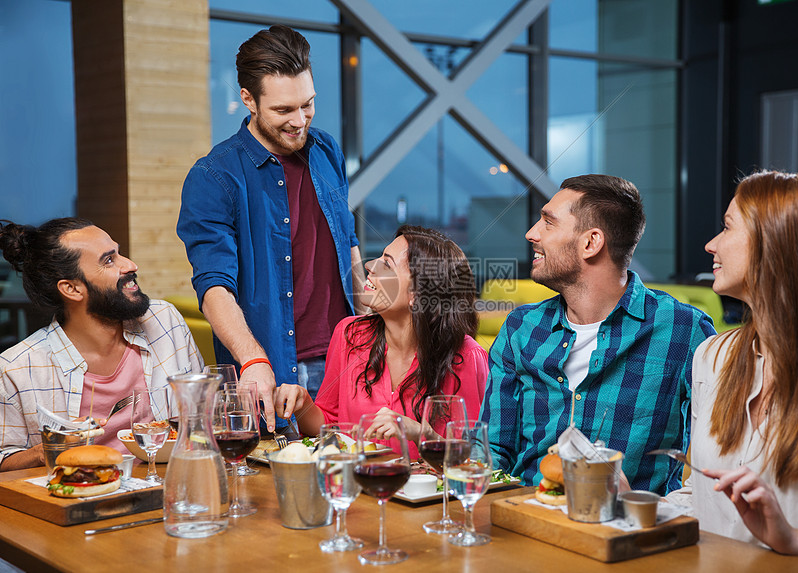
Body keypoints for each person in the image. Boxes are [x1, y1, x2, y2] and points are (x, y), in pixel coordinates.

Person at [665, 171, 798, 570]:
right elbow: (696, 495)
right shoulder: (712, 356)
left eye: (727, 227)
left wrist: (792, 539)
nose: (711, 244)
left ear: (780, 243)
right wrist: (628, 505)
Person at [177, 25, 365, 432]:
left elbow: (347, 244)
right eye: (284, 110)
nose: (300, 121)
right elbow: (213, 287)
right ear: (248, 99)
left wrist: (374, 328)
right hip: (274, 370)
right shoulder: (213, 176)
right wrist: (253, 359)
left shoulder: (326, 150)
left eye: (308, 104)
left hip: (345, 360)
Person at [480, 174, 716, 493]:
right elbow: (492, 452)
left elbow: (715, 462)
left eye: (548, 223)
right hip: (527, 520)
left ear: (591, 243)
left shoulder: (684, 330)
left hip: (629, 531)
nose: (531, 234)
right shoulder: (520, 328)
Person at [0, 218, 203, 471]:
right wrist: (45, 452)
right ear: (72, 288)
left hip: (170, 485)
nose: (130, 265)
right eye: (109, 260)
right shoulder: (17, 368)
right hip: (82, 496)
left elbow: (203, 414)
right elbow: (4, 458)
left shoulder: (164, 321)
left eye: (119, 254)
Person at [276, 226, 488, 457]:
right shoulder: (350, 334)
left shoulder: (466, 356)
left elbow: (472, 458)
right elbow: (328, 428)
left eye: (387, 264)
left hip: (431, 493)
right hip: (359, 487)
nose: (369, 265)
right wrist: (303, 402)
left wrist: (419, 432)